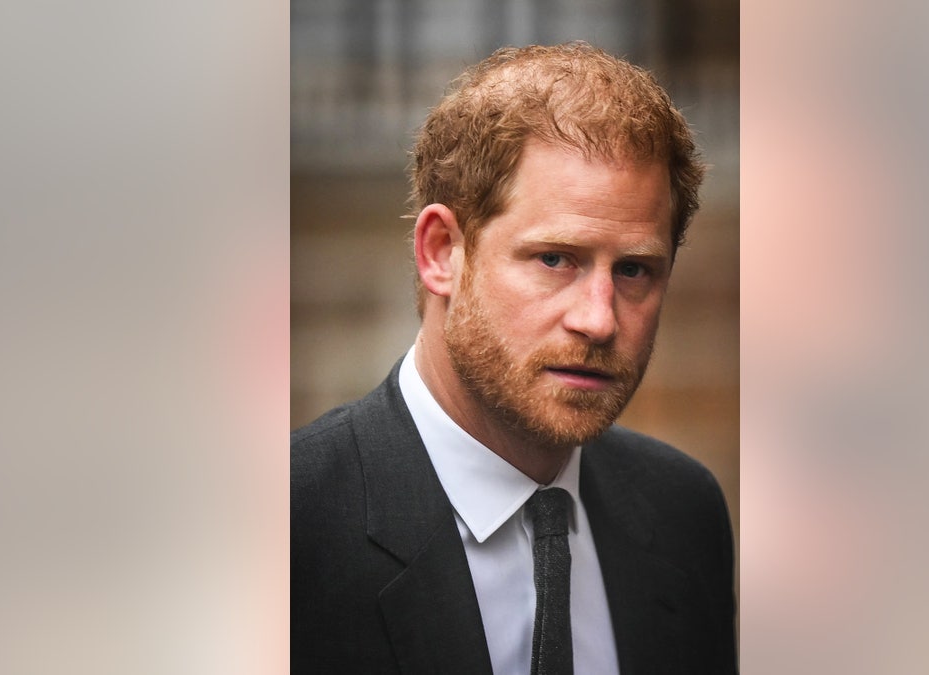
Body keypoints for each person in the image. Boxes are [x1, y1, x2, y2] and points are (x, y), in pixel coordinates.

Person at [291, 42, 737, 674]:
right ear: (442, 252)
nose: (599, 318)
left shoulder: (681, 512)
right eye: (556, 259)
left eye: (635, 270)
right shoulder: (288, 528)